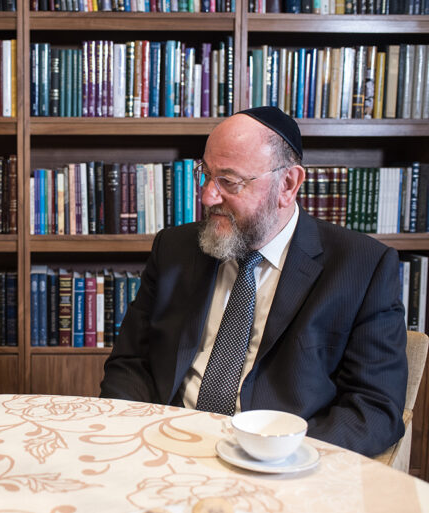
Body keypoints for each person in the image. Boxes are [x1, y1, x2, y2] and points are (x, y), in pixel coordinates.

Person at [100, 106, 407, 457]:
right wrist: (134, 437)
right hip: (166, 446)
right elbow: (130, 363)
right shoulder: (174, 248)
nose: (207, 196)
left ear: (288, 184)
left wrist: (282, 457)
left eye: (229, 181)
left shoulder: (361, 267)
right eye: (206, 174)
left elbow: (374, 408)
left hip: (279, 465)